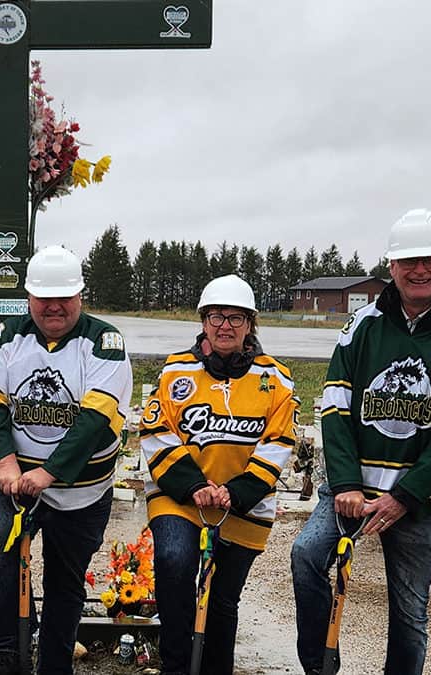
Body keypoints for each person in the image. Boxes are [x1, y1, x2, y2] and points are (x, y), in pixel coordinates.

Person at [291, 209, 431, 675]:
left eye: (430, 260)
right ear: (391, 267)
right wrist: (343, 483)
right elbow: (335, 406)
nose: (420, 270)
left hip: (421, 500)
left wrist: (405, 495)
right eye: (409, 261)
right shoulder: (361, 325)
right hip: (352, 490)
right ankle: (320, 665)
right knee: (305, 556)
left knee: (408, 613)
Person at [0, 245, 133, 675]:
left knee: (65, 579)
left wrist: (48, 472)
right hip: (14, 482)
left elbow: (96, 418)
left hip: (82, 490)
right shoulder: (7, 336)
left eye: (64, 296)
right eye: (44, 297)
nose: (54, 306)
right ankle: (11, 654)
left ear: (81, 295)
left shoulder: (105, 343)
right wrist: (5, 462)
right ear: (28, 297)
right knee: (2, 564)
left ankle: (55, 663)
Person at [140, 274, 299, 675]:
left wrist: (237, 491)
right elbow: (156, 432)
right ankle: (175, 666)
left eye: (235, 317)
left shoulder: (276, 378)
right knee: (175, 565)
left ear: (250, 324)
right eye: (215, 316)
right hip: (180, 497)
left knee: (224, 600)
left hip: (242, 500)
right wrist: (194, 486)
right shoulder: (176, 371)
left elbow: (279, 441)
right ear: (203, 321)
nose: (224, 325)